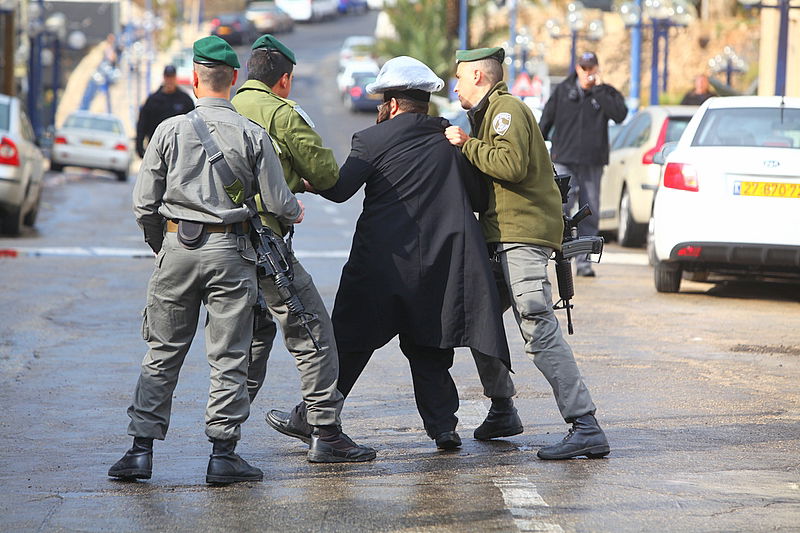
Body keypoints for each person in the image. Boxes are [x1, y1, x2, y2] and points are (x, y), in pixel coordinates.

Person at [271, 56, 511, 450]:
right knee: (429, 344)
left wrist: (301, 180)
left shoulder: (371, 140)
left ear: (394, 104)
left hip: (382, 265)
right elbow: (478, 196)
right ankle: (443, 428)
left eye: (384, 101)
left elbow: (340, 189)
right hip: (439, 264)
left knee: (349, 341)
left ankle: (312, 416)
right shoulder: (451, 138)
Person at [108, 36, 303, 484]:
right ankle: (222, 456)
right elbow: (279, 202)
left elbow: (144, 204)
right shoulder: (251, 134)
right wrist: (295, 210)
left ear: (194, 79)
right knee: (229, 355)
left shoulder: (169, 131)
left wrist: (164, 246)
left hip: (176, 249)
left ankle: (140, 452)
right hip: (231, 252)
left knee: (162, 351)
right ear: (233, 79)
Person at [444, 47, 610, 460]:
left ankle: (585, 424)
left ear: (478, 76)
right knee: (477, 317)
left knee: (537, 326)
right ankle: (502, 410)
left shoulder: (506, 111)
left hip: (521, 236)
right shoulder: (486, 115)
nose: (455, 86)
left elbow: (512, 165)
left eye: (459, 78)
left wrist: (466, 145)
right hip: (500, 236)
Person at [231, 34, 375, 463]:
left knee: (248, 344)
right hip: (265, 245)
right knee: (314, 333)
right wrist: (296, 179)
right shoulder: (281, 113)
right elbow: (328, 174)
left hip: (218, 247)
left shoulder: (224, 111)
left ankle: (223, 444)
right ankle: (325, 431)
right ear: (285, 79)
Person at [539, 51, 627, 277]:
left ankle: (584, 263)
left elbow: (620, 115)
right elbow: (545, 121)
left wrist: (599, 90)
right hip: (564, 160)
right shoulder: (563, 90)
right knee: (560, 209)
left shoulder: (605, 92)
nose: (588, 72)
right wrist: (537, 149)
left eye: (591, 68)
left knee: (590, 211)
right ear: (578, 68)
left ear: (597, 68)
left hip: (592, 163)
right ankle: (556, 256)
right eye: (584, 68)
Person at [135, 65, 195, 158]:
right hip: (157, 147)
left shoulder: (185, 100)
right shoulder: (153, 100)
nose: (169, 80)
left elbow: (194, 124)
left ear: (175, 78)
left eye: (172, 77)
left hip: (179, 149)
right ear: (164, 77)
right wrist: (139, 144)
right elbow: (142, 124)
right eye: (167, 77)